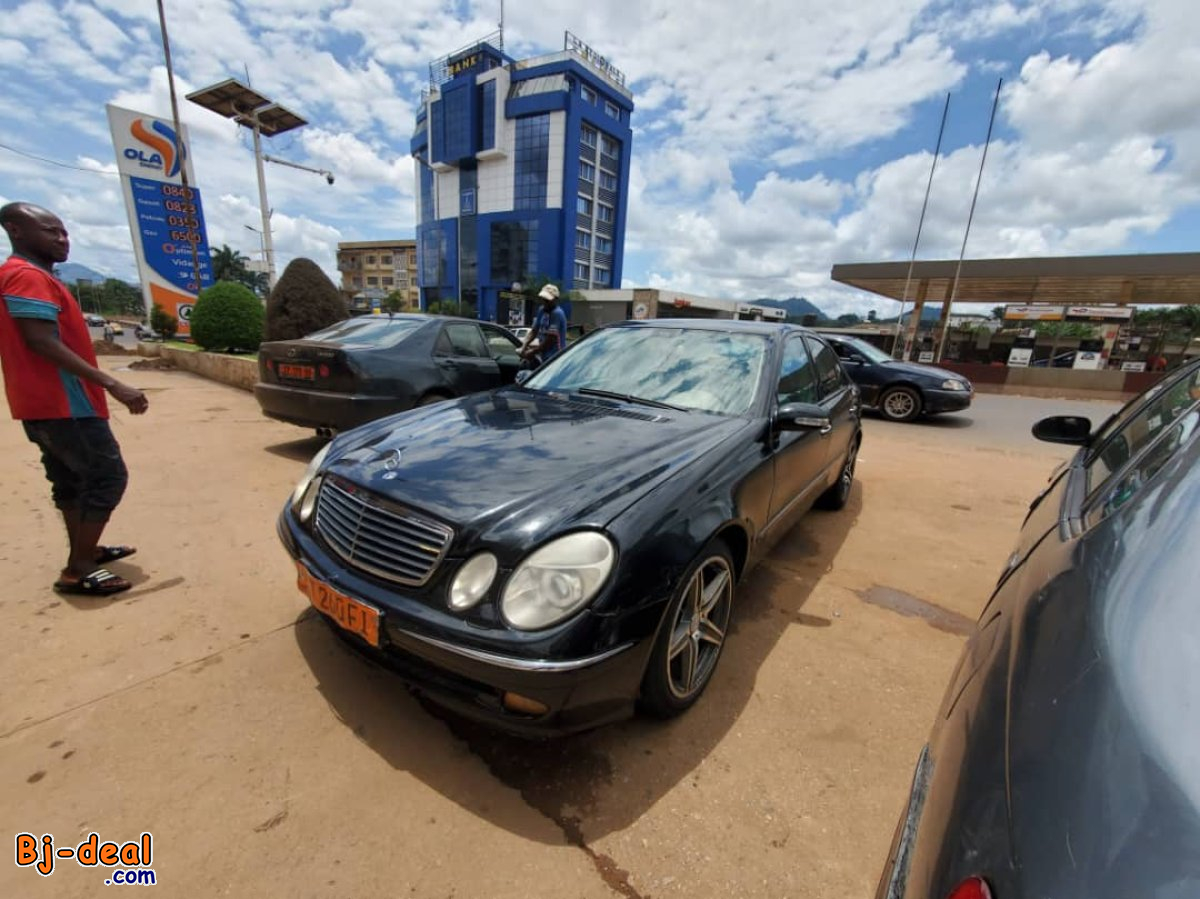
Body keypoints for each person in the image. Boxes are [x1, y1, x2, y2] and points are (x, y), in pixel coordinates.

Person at [0, 202, 149, 596]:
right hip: (65, 405)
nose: (62, 239)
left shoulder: (25, 275)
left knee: (70, 481)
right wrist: (112, 384)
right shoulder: (26, 275)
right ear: (15, 229)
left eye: (63, 231)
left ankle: (86, 551)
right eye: (51, 231)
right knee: (107, 477)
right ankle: (79, 567)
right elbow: (40, 341)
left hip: (41, 405)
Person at [519, 284, 569, 367]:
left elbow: (550, 340)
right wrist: (524, 346)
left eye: (548, 300)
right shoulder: (541, 310)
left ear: (555, 300)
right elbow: (534, 331)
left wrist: (532, 352)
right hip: (544, 357)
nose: (545, 302)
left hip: (555, 358)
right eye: (544, 299)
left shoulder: (557, 313)